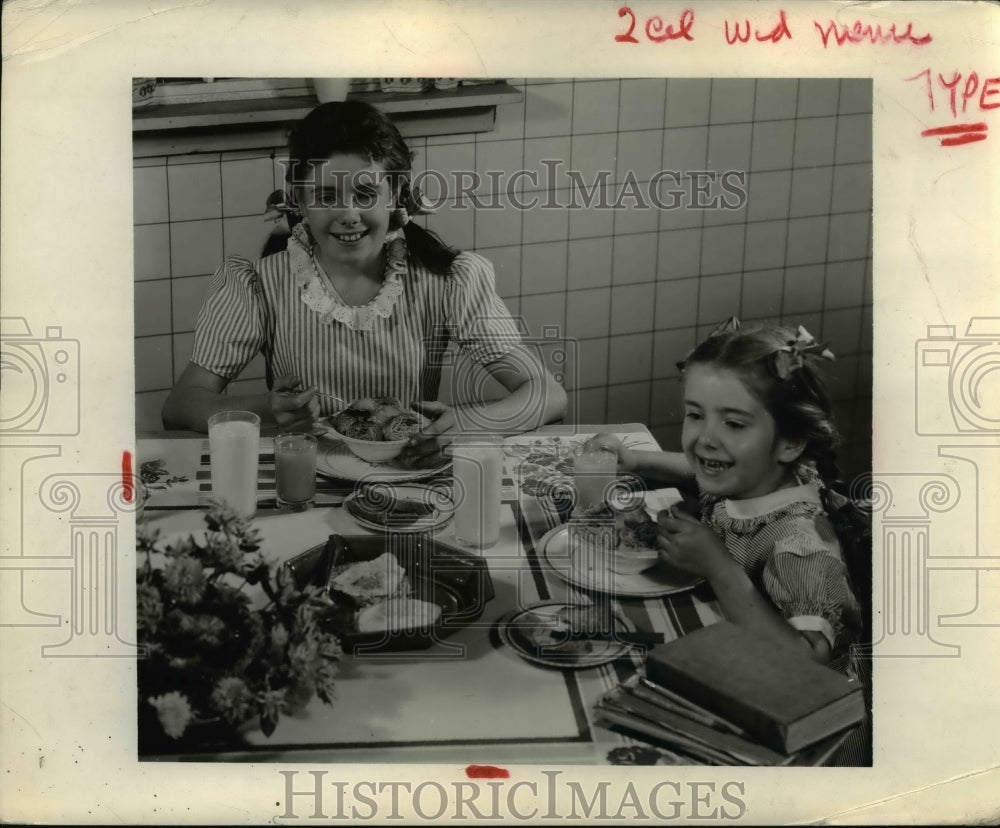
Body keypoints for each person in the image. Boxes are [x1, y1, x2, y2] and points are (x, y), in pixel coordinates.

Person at [161, 101, 566, 463]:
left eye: (366, 194)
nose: (348, 215)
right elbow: (180, 406)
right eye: (326, 196)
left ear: (396, 195)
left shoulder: (447, 280)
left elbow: (547, 394)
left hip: (410, 477)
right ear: (299, 201)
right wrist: (269, 408)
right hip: (304, 481)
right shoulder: (259, 284)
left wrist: (466, 423)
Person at [594, 319, 871, 762]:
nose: (705, 438)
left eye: (734, 424)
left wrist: (718, 567)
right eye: (695, 415)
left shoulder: (801, 546)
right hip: (740, 666)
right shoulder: (756, 476)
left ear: (790, 443)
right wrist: (635, 460)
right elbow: (700, 470)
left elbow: (804, 663)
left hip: (804, 739)